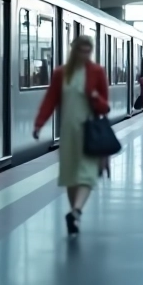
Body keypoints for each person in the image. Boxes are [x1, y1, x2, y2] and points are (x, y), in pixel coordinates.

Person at [34, 35, 110, 236]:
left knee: (87, 173)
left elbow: (105, 106)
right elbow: (50, 100)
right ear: (74, 51)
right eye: (81, 50)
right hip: (68, 131)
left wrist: (95, 97)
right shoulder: (61, 73)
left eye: (88, 51)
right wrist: (39, 124)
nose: (85, 54)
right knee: (70, 174)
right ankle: (74, 216)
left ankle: (76, 210)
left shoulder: (97, 72)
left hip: (88, 130)